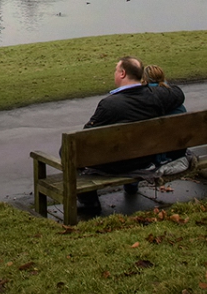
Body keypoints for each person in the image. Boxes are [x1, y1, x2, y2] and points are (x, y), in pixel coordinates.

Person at [78, 56, 186, 211]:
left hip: (119, 163)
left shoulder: (109, 105)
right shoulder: (156, 96)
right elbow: (177, 93)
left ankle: (89, 202)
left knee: (70, 151)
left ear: (122, 74)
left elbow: (84, 139)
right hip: (146, 159)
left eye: (116, 70)